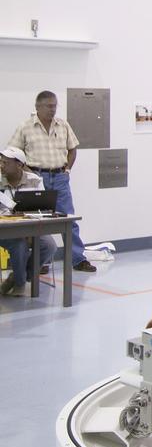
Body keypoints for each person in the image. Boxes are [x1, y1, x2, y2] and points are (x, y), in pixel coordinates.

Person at [8, 90, 96, 272]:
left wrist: (67, 169)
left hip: (59, 178)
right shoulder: (25, 127)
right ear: (37, 107)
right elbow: (12, 154)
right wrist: (28, 172)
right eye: (49, 106)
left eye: (55, 105)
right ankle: (42, 261)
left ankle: (78, 259)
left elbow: (73, 149)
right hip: (35, 179)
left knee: (68, 219)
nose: (53, 109)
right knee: (37, 221)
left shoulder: (62, 125)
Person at [0, 146, 58, 296]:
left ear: (19, 165)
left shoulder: (35, 180)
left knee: (49, 245)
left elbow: (44, 207)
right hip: (5, 231)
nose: (1, 165)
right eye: (1, 162)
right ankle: (19, 283)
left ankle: (19, 277)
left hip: (31, 227)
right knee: (19, 245)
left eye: (5, 163)